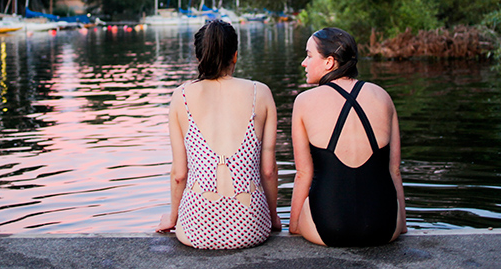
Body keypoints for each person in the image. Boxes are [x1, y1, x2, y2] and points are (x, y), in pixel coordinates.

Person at [155, 20, 281, 249]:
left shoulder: (180, 96)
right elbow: (269, 170)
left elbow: (179, 174)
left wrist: (173, 218)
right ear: (235, 56)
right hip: (251, 228)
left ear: (198, 57)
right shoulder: (260, 93)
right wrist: (273, 218)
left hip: (196, 229)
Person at [289, 27, 407, 246]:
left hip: (328, 228)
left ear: (329, 62)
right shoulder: (383, 96)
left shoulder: (304, 102)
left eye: (309, 55)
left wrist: (295, 226)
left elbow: (303, 173)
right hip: (384, 228)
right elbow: (395, 171)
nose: (304, 63)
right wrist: (402, 224)